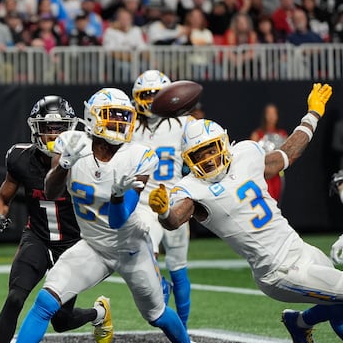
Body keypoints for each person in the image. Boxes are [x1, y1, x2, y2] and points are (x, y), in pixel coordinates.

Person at [147, 84, 343, 342]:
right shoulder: (192, 188)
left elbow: (287, 154)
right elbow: (174, 220)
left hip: (300, 249)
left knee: (337, 303)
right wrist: (163, 212)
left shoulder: (246, 153)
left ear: (225, 144)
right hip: (279, 271)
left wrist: (312, 114)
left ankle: (298, 322)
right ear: (189, 159)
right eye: (198, 154)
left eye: (211, 149)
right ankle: (299, 322)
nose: (207, 159)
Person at [15, 88, 191, 343]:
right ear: (93, 116)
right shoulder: (72, 143)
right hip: (93, 246)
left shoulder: (139, 155)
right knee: (45, 302)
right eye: (112, 115)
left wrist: (119, 195)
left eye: (123, 116)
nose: (119, 122)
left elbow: (119, 219)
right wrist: (64, 165)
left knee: (157, 314)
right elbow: (50, 192)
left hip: (130, 248)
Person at [0, 95, 108, 343]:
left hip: (74, 245)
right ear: (36, 130)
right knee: (14, 298)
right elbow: (1, 198)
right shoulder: (20, 158)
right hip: (38, 238)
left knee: (61, 322)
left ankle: (99, 313)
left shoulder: (87, 160)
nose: (54, 136)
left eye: (60, 129)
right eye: (48, 129)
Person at [131, 71, 192, 329]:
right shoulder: (130, 125)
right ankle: (160, 289)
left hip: (175, 202)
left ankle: (183, 328)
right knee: (146, 257)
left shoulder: (185, 123)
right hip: (144, 205)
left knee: (179, 268)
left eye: (157, 94)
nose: (152, 100)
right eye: (146, 95)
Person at [250, 104, 288, 203]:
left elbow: (288, 155)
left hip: (277, 176)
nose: (271, 116)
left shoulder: (282, 134)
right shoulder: (257, 135)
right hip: (262, 176)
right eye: (269, 113)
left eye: (274, 113)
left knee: (275, 203)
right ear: (264, 115)